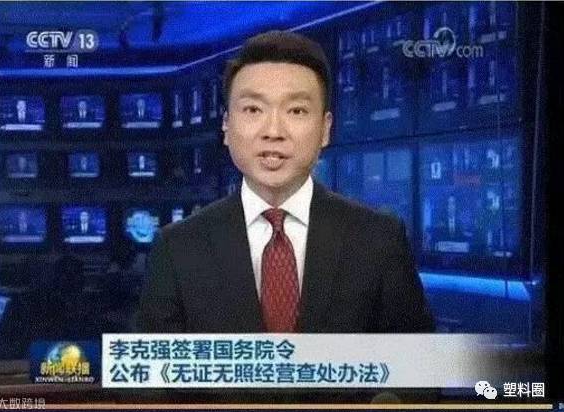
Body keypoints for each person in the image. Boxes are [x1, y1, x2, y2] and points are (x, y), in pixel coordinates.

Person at [136, 30, 434, 333]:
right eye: (253, 109)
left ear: (325, 129)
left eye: (296, 111)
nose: (273, 131)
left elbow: (415, 360)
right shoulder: (177, 248)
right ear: (226, 126)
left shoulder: (379, 240)